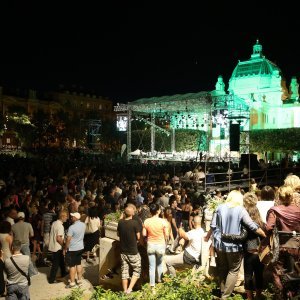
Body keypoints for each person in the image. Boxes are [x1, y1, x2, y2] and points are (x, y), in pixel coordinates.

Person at [211, 190, 266, 299]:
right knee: (233, 271)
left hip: (220, 245)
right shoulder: (241, 210)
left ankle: (223, 292)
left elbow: (213, 226)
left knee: (222, 268)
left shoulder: (219, 208)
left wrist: (218, 238)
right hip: (234, 247)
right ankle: (225, 296)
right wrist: (264, 234)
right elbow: (252, 225)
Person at [265, 185, 300, 298]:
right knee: (295, 272)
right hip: (296, 246)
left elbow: (269, 228)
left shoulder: (275, 210)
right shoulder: (298, 209)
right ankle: (292, 294)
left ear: (279, 196)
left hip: (280, 247)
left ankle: (282, 295)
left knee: (277, 272)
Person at [242, 192, 266, 300]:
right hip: (259, 253)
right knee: (259, 275)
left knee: (248, 275)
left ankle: (249, 297)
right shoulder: (262, 224)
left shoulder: (245, 224)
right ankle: (259, 295)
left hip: (248, 252)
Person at [117, 206, 141, 294]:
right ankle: (129, 289)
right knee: (137, 269)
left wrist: (121, 216)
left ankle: (124, 290)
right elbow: (138, 237)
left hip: (123, 251)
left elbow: (118, 234)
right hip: (133, 251)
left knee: (124, 271)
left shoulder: (120, 223)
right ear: (132, 213)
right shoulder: (135, 223)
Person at [143, 203, 167, 289]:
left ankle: (152, 286)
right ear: (158, 211)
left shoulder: (146, 221)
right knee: (160, 265)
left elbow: (144, 234)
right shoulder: (163, 221)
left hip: (150, 245)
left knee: (151, 266)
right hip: (160, 244)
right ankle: (160, 282)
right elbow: (166, 235)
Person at [12, 212, 38, 276]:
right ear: (24, 217)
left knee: (17, 260)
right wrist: (26, 236)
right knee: (28, 259)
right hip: (25, 243)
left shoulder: (13, 226)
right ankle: (32, 273)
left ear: (18, 218)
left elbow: (12, 236)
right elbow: (32, 234)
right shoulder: (28, 224)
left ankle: (19, 273)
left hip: (16, 244)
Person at [64, 212, 86, 288]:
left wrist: (65, 248)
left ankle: (72, 283)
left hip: (73, 248)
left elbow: (68, 239)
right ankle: (79, 281)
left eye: (72, 217)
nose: (71, 218)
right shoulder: (83, 225)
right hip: (80, 247)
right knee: (79, 264)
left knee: (72, 266)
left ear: (76, 218)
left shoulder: (71, 227)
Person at [48, 210, 69, 284]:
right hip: (58, 247)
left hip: (54, 246)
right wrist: (64, 245)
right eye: (66, 216)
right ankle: (51, 279)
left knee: (61, 261)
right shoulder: (60, 226)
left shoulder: (54, 223)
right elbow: (58, 238)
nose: (67, 218)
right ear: (62, 216)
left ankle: (63, 273)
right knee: (55, 264)